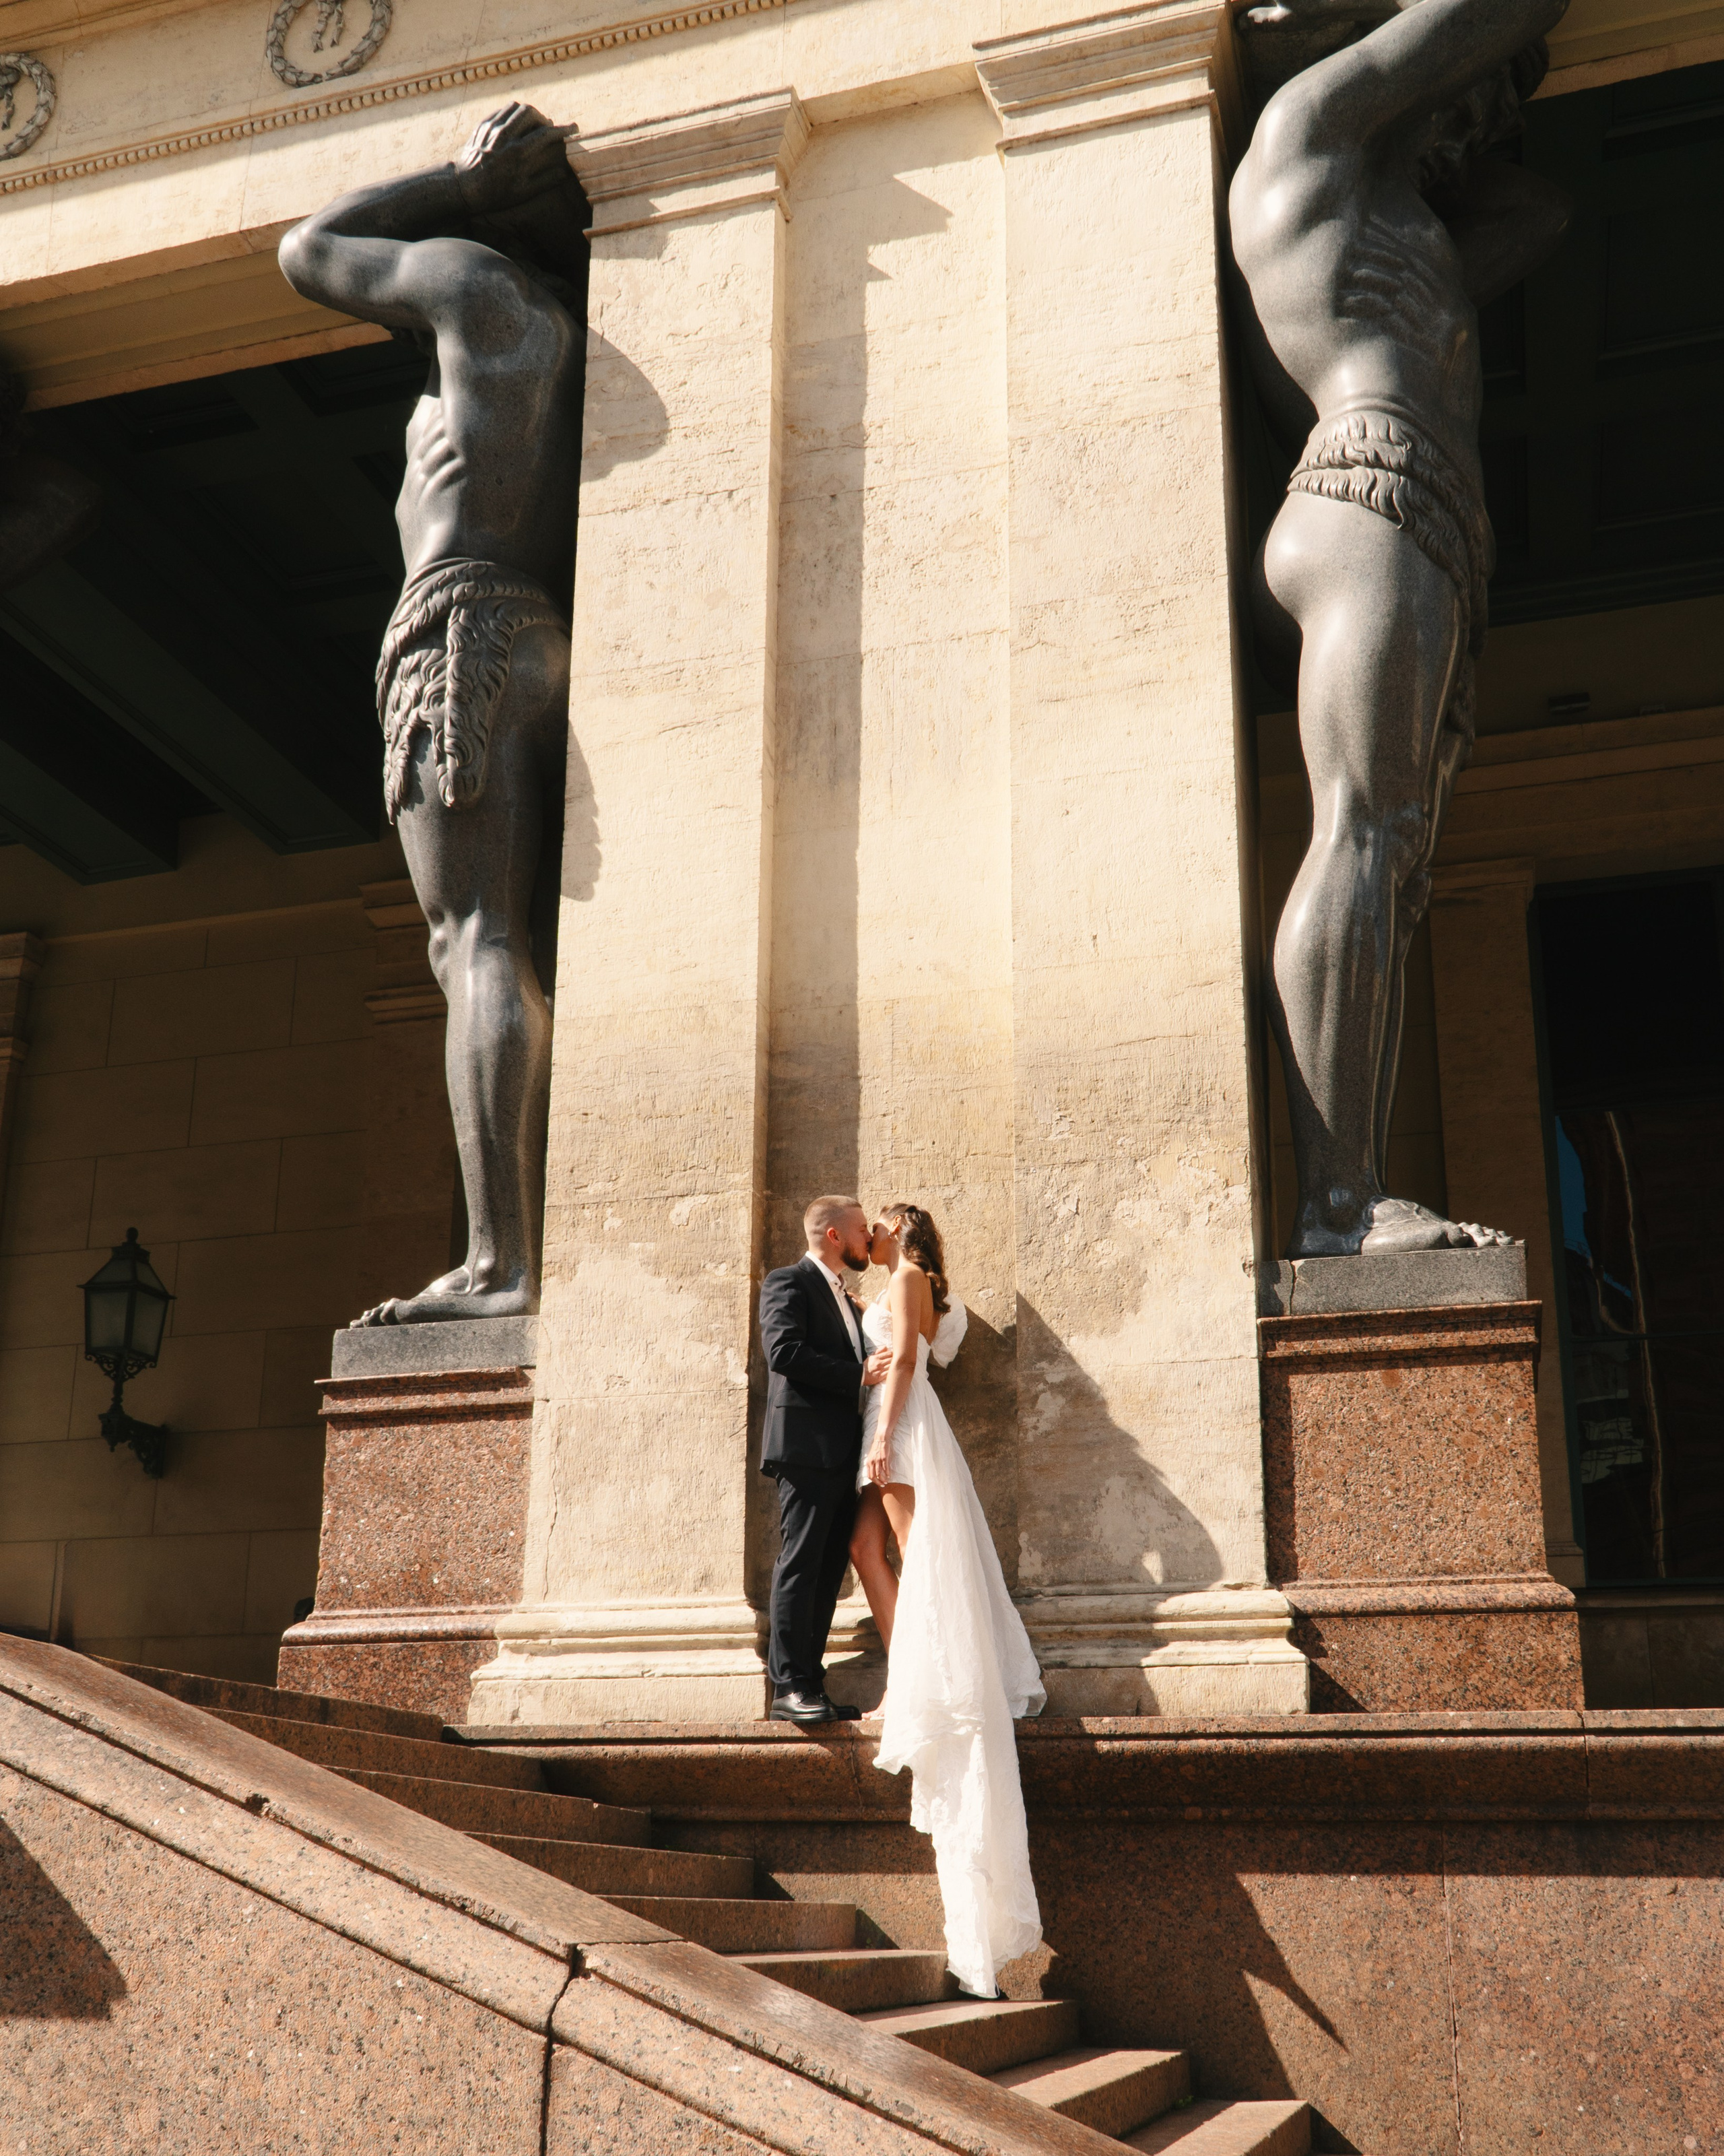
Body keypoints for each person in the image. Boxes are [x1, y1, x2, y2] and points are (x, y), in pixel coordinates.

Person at [1230, 0, 1568, 1255]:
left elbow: (1542, 213)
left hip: (1431, 524)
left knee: (1402, 854)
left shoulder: (1412, 229)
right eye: (1470, 94)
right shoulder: (1300, 143)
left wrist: (1457, 117)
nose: (1477, 116)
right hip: (1367, 487)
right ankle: (1338, 1204)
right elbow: (1447, 34)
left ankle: (1350, 1187)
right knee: (1363, 830)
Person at [278, 103, 587, 1324]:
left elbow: (309, 248)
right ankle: (509, 1252)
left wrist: (453, 185)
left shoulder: (474, 281)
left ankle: (500, 1266)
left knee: (475, 942)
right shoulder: (562, 333)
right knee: (494, 940)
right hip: (531, 623)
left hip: (458, 623)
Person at [848, 1203, 1044, 2000]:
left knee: (911, 1560)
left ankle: (912, 1686)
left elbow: (902, 1365)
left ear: (903, 1227)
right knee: (871, 1552)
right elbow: (904, 1351)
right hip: (900, 1419)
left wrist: (885, 1433)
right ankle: (910, 1676)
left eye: (885, 1216)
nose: (876, 1226)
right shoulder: (920, 1283)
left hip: (900, 1426)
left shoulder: (904, 1275)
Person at [758, 1197, 892, 1726]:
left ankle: (811, 1683)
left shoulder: (842, 1293)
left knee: (828, 1568)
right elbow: (783, 1352)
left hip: (841, 1452)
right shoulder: (787, 1281)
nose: (868, 1238)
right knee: (802, 1562)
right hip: (805, 1448)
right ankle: (787, 1684)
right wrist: (858, 1372)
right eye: (862, 1230)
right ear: (834, 1235)